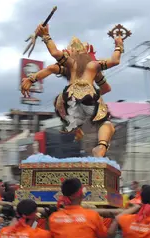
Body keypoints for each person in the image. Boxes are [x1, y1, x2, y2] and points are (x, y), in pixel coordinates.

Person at [21, 24, 123, 157]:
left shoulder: (71, 64)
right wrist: (119, 45)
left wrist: (46, 35)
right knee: (105, 122)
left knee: (59, 101)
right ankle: (102, 145)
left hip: (70, 94)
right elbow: (111, 74)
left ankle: (74, 125)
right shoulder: (94, 66)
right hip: (90, 93)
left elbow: (53, 59)